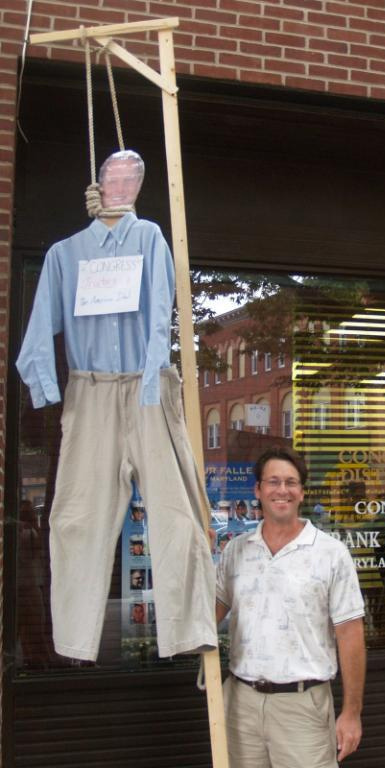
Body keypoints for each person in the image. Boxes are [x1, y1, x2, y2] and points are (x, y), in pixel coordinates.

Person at [16, 150, 217, 661]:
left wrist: (153, 381)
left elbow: (159, 314)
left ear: (140, 187)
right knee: (77, 518)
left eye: (133, 178)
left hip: (147, 383)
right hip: (91, 391)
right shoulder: (65, 255)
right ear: (98, 186)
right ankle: (75, 639)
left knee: (176, 513)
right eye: (114, 178)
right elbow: (37, 333)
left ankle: (188, 629)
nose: (123, 185)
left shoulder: (149, 237)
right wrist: (51, 396)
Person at [216, 445, 366, 768]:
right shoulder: (236, 551)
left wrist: (352, 712)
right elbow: (210, 613)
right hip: (240, 705)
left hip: (303, 707)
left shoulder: (331, 553)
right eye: (272, 482)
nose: (281, 490)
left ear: (301, 492)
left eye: (290, 482)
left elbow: (350, 636)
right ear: (257, 490)